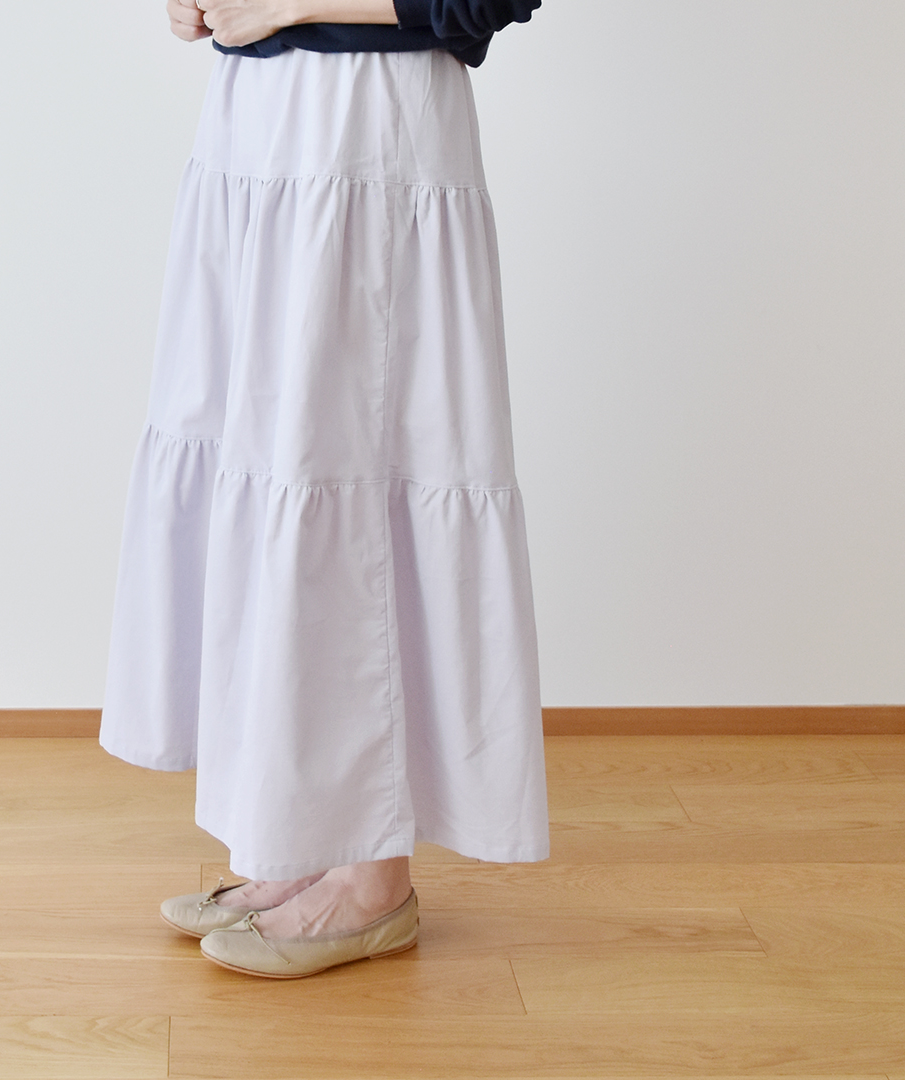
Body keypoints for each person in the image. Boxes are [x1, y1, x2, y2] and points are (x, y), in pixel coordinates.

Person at [99, 0, 550, 978]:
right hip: (258, 123)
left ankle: (373, 879)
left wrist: (289, 1)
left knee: (347, 481)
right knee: (273, 470)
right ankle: (312, 840)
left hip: (367, 129)